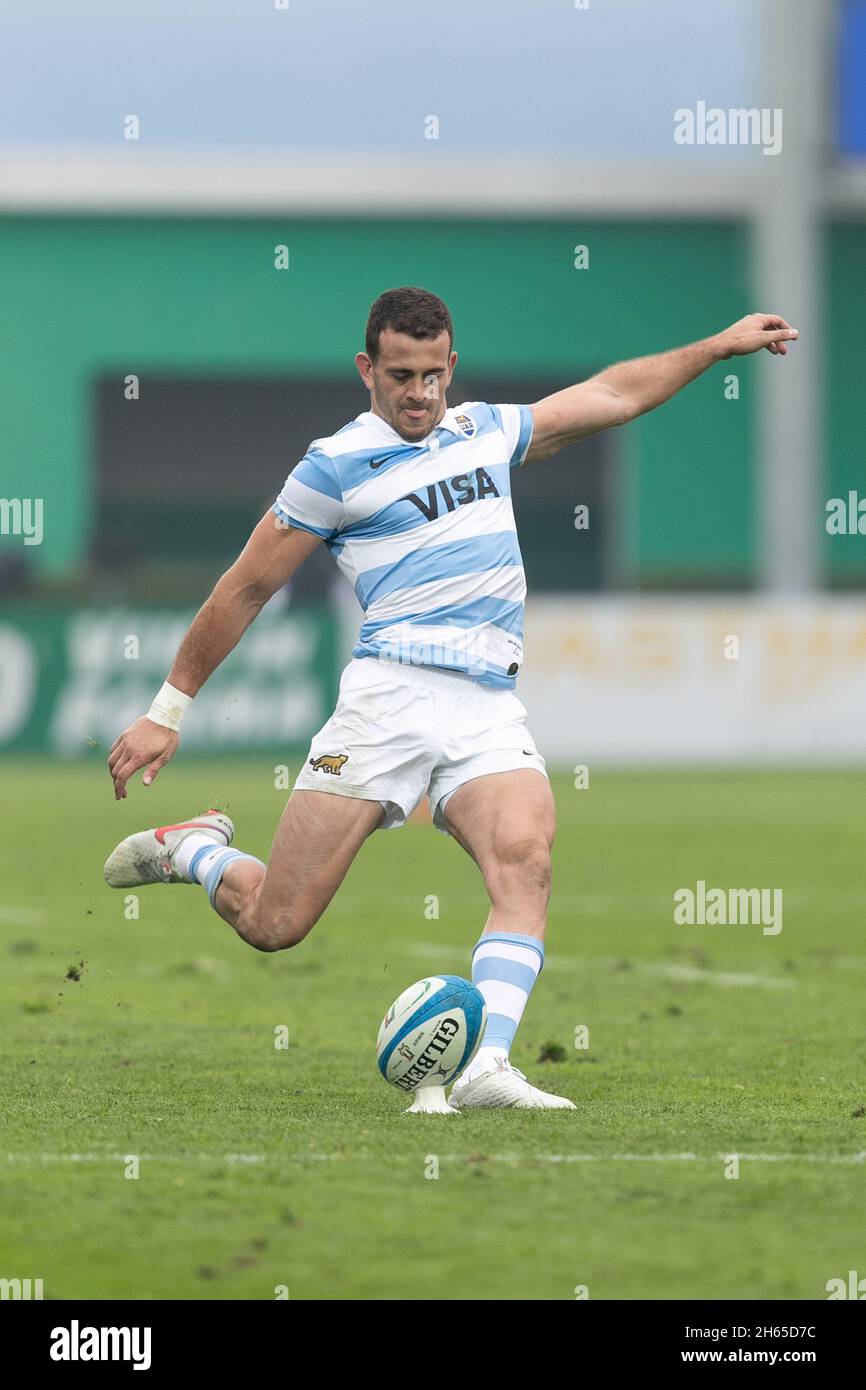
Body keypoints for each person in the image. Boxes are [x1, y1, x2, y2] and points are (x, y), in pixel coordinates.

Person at [104, 286, 797, 1110]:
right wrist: (166, 710)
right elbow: (246, 588)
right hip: (388, 699)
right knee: (274, 924)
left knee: (526, 859)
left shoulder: (486, 430)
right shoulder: (333, 466)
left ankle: (486, 1068)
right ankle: (195, 850)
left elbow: (613, 396)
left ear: (452, 367)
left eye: (433, 375)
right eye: (400, 375)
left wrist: (716, 346)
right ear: (367, 369)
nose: (419, 394)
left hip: (488, 703)